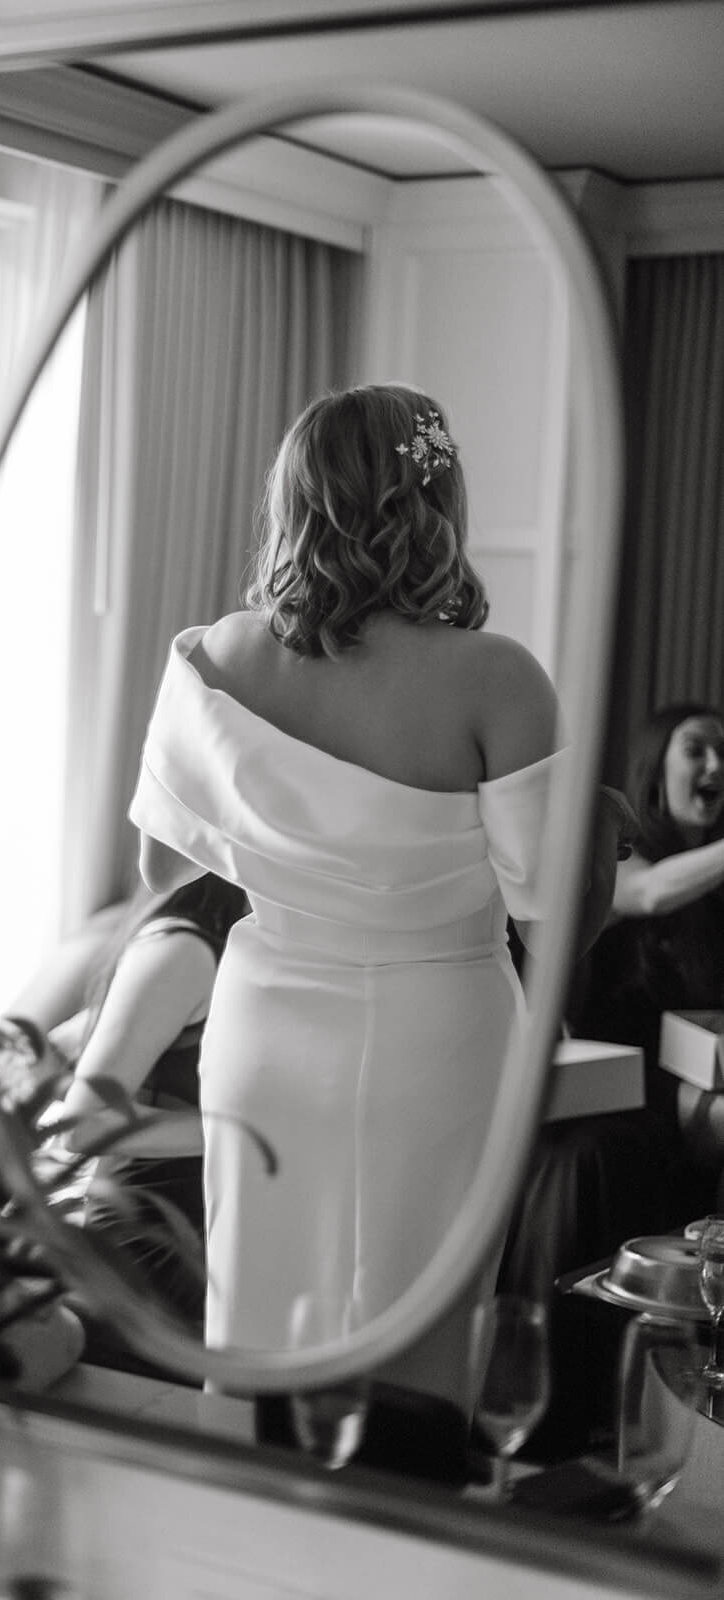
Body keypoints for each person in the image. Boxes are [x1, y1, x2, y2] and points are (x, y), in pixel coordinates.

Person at [126, 383, 626, 1417]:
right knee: (419, 1342)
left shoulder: (214, 656)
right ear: (438, 500)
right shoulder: (495, 679)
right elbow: (553, 923)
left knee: (253, 1322)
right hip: (439, 1039)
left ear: (292, 498)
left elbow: (161, 873)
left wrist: (294, 855)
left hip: (262, 1028)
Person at [43, 873, 250, 1326]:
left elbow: (55, 1053)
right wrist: (246, 1134)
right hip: (155, 1245)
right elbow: (87, 1123)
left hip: (213, 1226)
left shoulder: (235, 940)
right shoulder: (182, 952)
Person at [572, 702, 724, 1214]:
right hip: (629, 1077)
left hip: (703, 1072)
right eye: (696, 749)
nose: (716, 765)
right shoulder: (621, 854)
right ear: (656, 765)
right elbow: (652, 894)